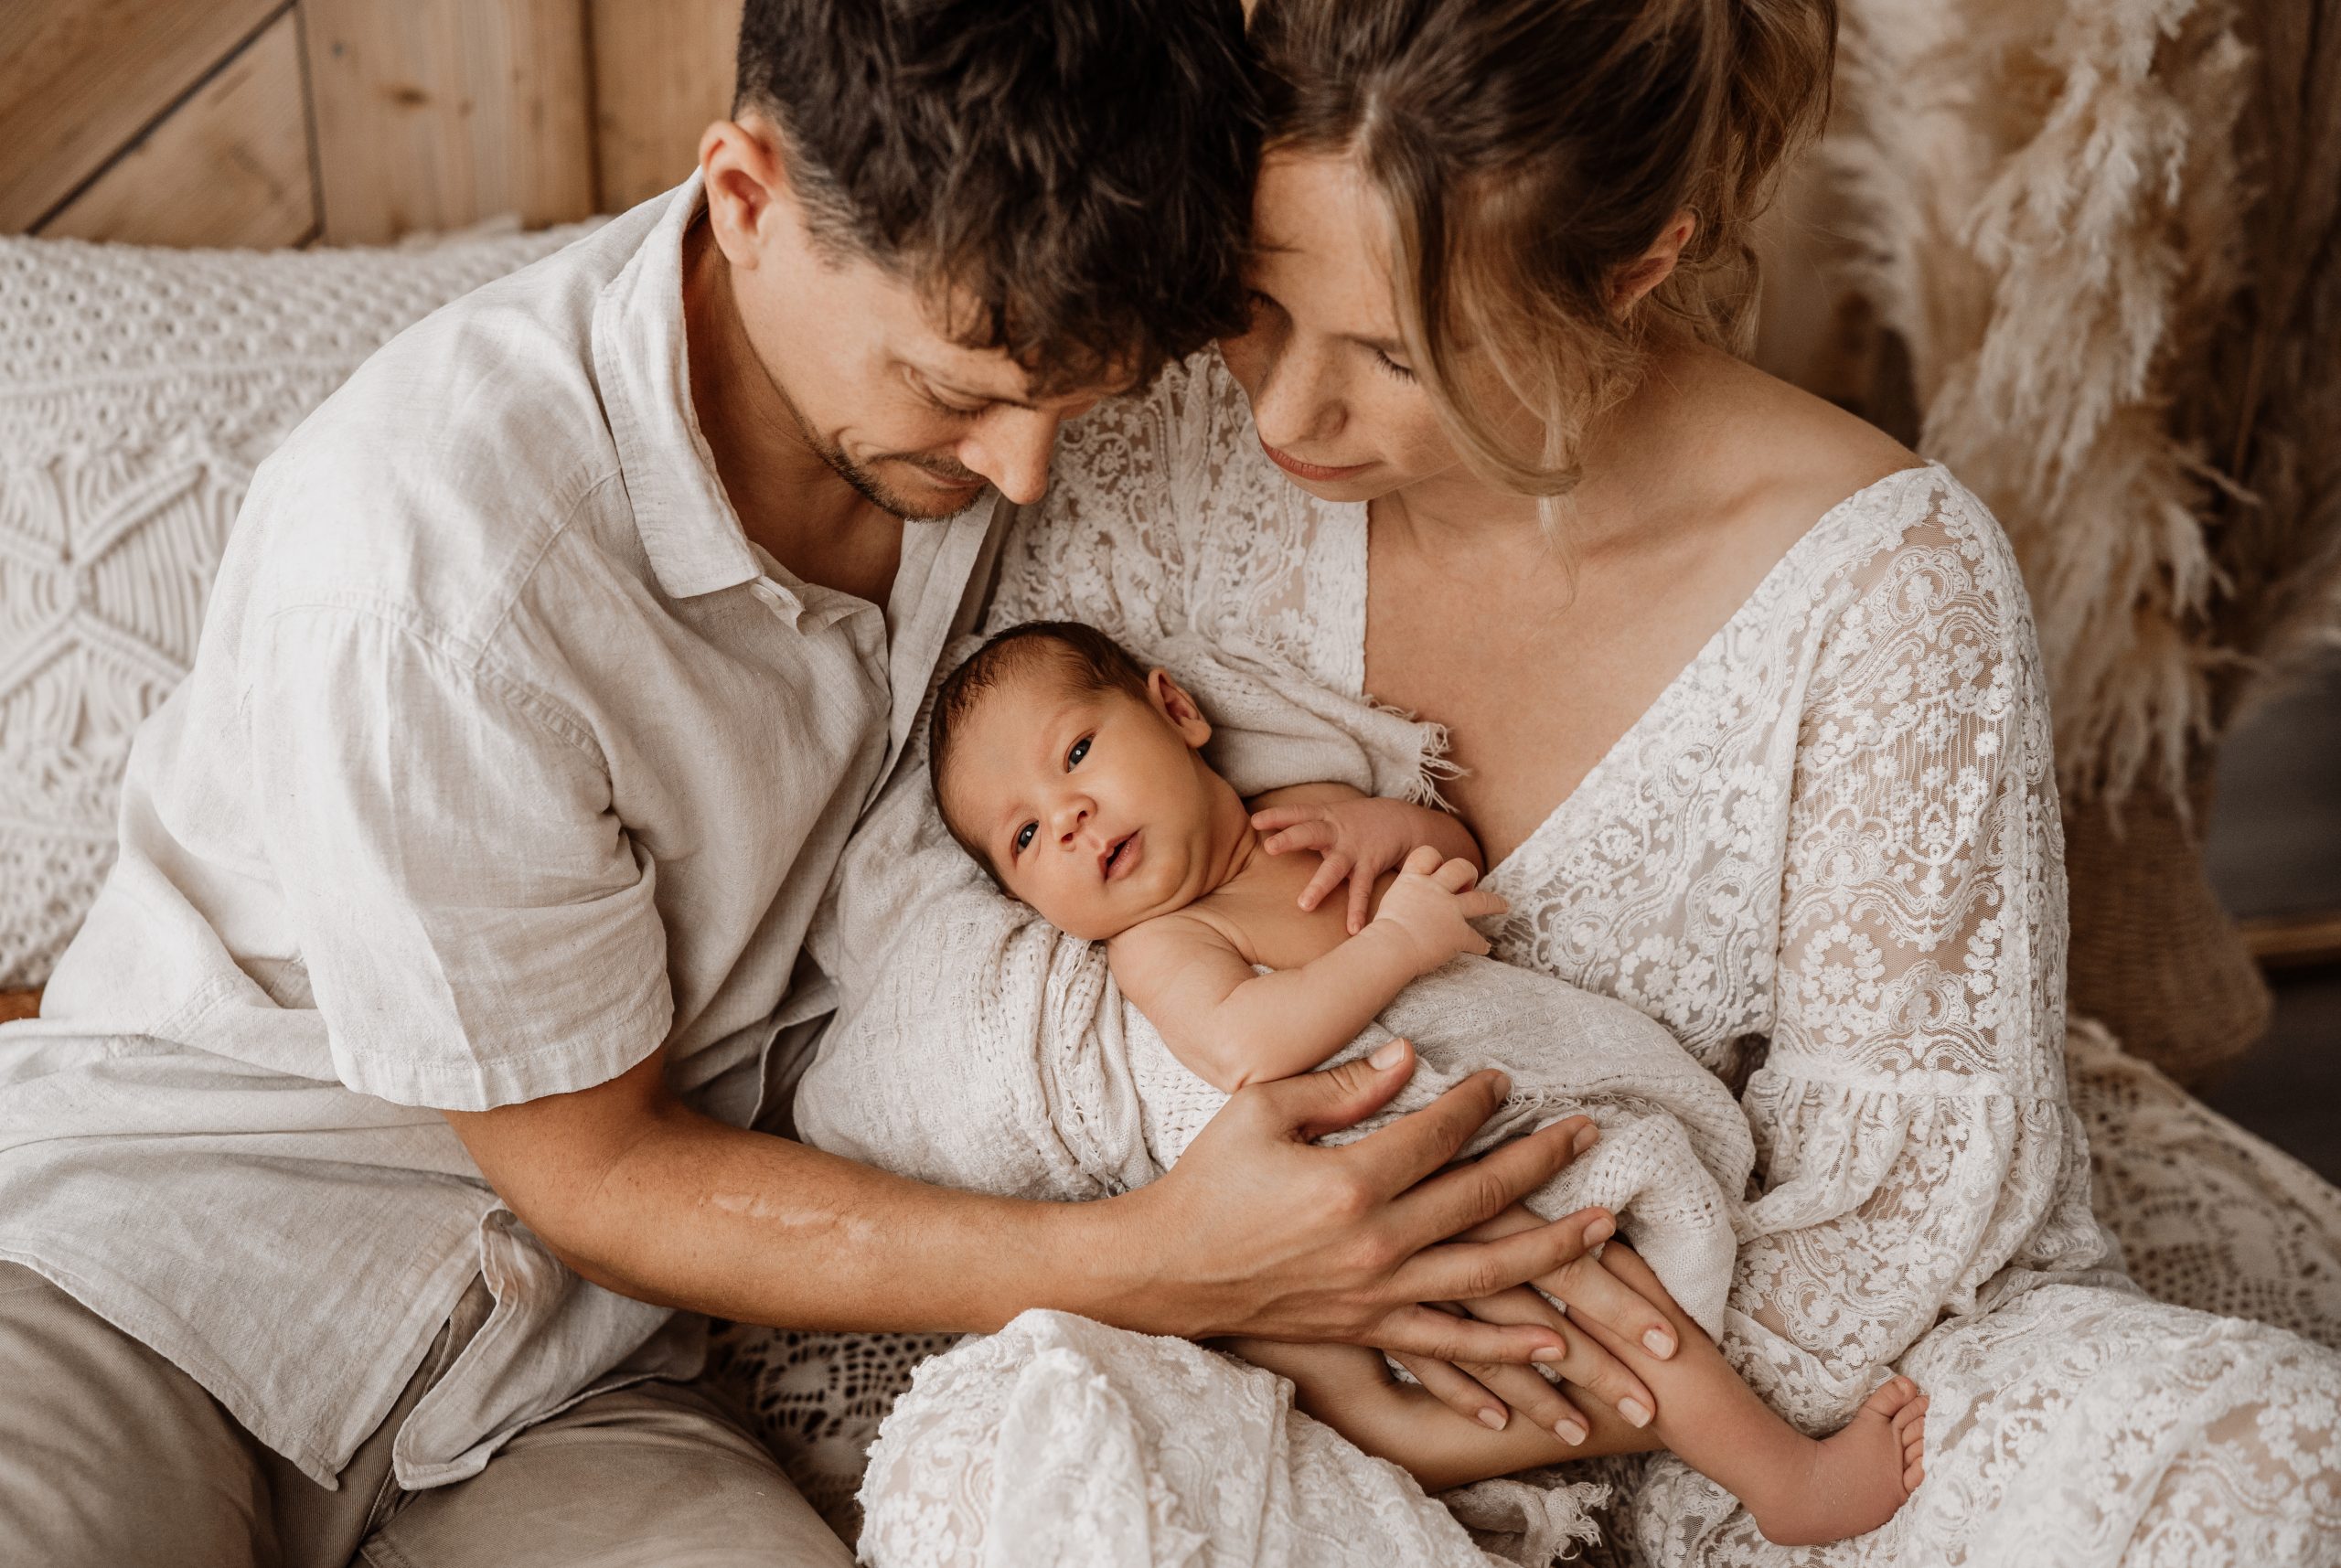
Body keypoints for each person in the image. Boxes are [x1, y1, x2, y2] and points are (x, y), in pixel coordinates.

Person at [0, 4, 1669, 1564]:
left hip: (564, 1377)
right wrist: (1165, 1265)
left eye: (1065, 405)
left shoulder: (1006, 390)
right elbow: (595, 1168)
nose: (1018, 471)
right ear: (746, 193)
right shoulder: (435, 574)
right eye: (959, 394)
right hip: (156, 1269)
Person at [850, 0, 2341, 1562]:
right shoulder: (1156, 431)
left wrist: (1589, 1393)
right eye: (1253, 303)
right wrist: (1269, 1298)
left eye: (1396, 354)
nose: (1286, 413)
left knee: (2264, 1480)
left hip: (1759, 1379)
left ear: (1631, 268)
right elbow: (955, 948)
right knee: (1016, 1472)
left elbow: (1901, 1221)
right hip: (1262, 1362)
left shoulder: (1890, 589)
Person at [923, 617, 1931, 1544]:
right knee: (1562, 1315)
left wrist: (1398, 836)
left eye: (1077, 753)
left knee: (1595, 1290)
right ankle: (1784, 1481)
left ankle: (1622, 1434)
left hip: (1494, 1111)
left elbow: (1462, 870)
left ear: (1176, 710)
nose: (1067, 816)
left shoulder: (1299, 816)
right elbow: (1246, 1042)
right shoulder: (1163, 940)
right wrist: (1393, 945)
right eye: (1022, 837)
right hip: (1377, 1188)